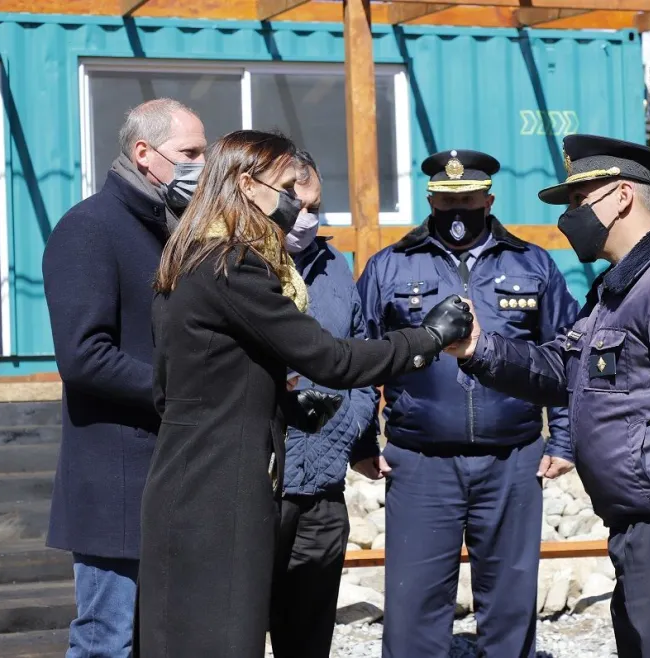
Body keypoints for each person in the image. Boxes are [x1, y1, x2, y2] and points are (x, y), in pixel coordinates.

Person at [136, 130, 472, 658]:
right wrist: (427, 339)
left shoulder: (192, 257)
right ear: (248, 187)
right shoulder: (233, 265)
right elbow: (331, 359)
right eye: (290, 189)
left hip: (193, 482)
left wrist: (275, 400)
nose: (299, 207)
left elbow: (180, 386)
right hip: (219, 492)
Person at [449, 135, 650, 657]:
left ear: (619, 197)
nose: (569, 217)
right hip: (640, 533)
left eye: (576, 200)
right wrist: (478, 348)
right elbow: (563, 370)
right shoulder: (618, 291)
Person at [357, 149, 579, 657]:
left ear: (489, 198)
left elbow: (563, 357)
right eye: (446, 198)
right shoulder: (389, 266)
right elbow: (360, 358)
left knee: (510, 603)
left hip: (514, 458)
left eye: (468, 198)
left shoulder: (533, 262)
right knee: (414, 608)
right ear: (431, 199)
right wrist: (362, 440)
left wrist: (564, 438)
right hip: (418, 462)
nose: (458, 208)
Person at [41, 98, 206, 658]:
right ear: (144, 153)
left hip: (169, 472)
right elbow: (84, 356)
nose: (202, 166)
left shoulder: (171, 231)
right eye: (190, 153)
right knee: (105, 642)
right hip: (117, 481)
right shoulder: (89, 228)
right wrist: (185, 393)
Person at [269, 149, 381, 658]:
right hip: (260, 490)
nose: (307, 218)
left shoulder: (335, 266)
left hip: (323, 486)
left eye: (317, 206)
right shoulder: (234, 268)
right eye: (296, 206)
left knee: (309, 635)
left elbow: (358, 359)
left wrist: (348, 433)